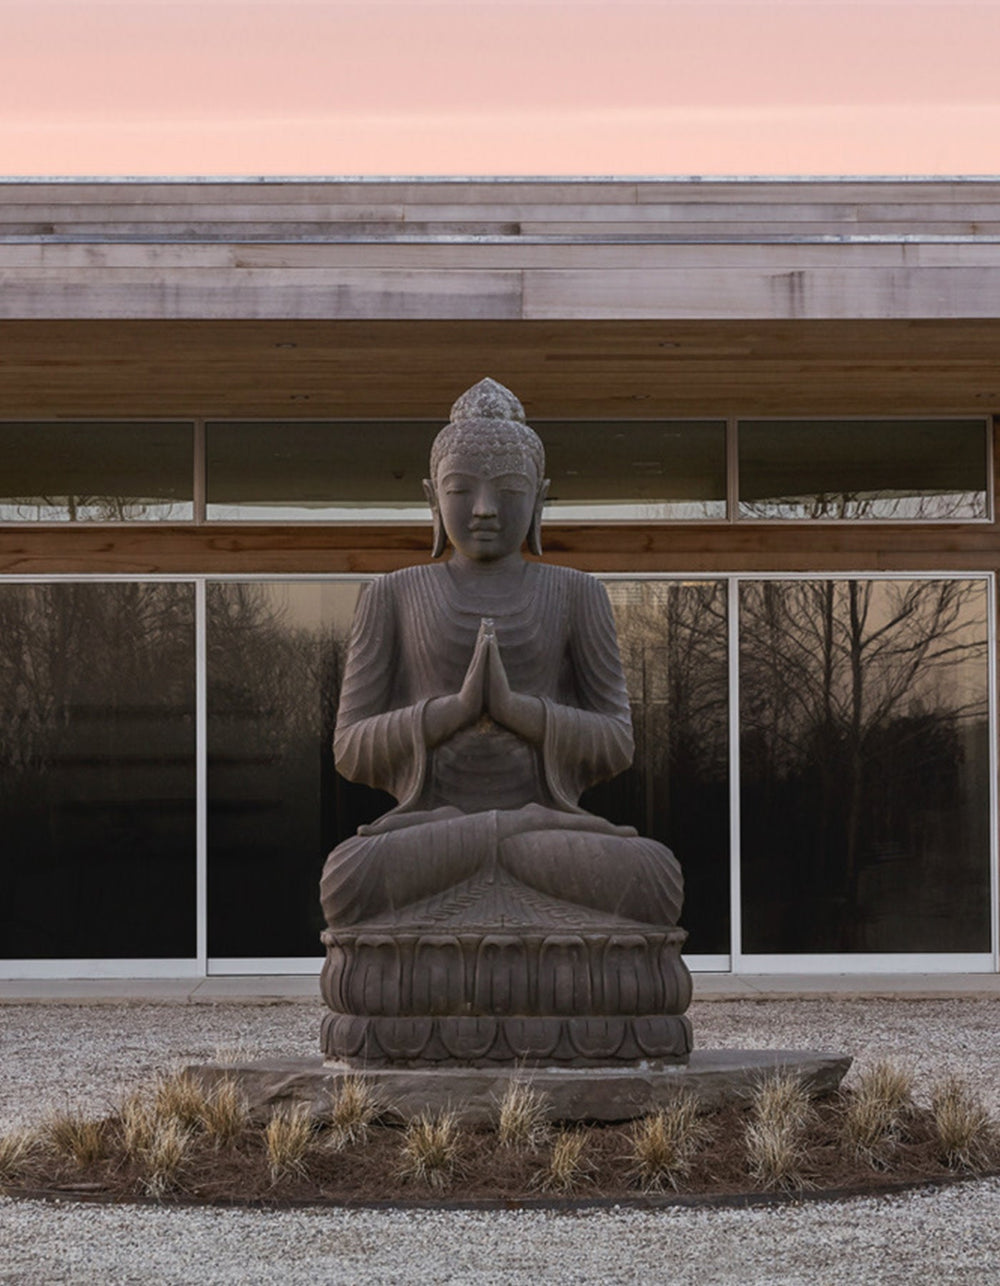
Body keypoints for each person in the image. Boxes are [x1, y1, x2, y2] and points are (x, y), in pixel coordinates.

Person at [320, 378, 683, 932]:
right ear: (433, 498)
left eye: (510, 491)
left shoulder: (577, 593)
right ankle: (500, 859)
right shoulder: (392, 594)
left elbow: (616, 741)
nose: (485, 509)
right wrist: (455, 711)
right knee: (347, 879)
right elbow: (350, 747)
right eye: (461, 490)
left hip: (546, 829)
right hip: (431, 831)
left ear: (539, 497)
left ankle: (496, 858)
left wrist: (516, 711)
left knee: (653, 876)